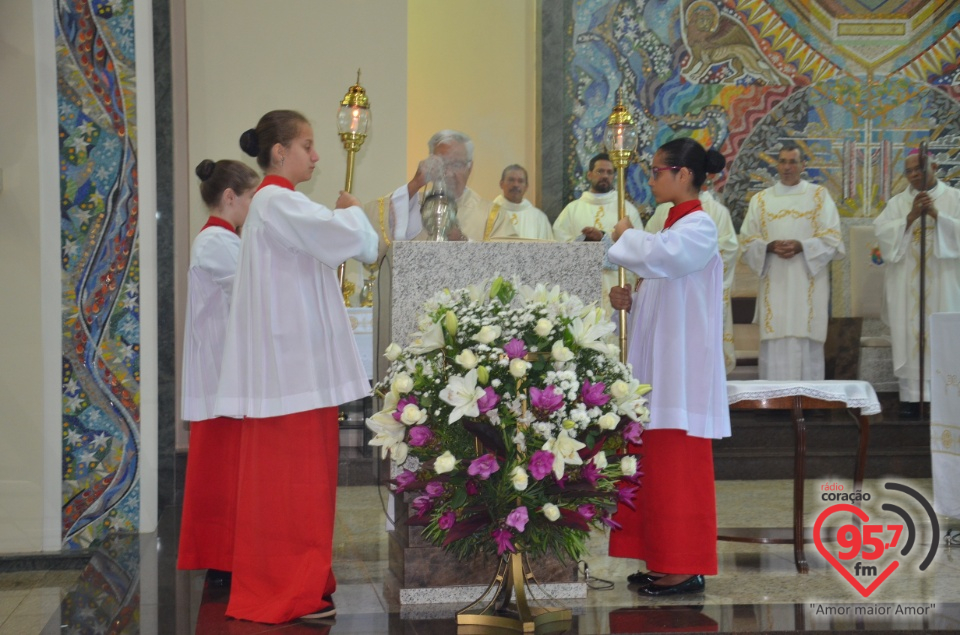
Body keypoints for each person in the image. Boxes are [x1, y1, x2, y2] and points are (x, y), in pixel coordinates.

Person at [215, 109, 379, 624]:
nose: (316, 154)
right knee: (297, 489)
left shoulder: (274, 204)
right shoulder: (277, 200)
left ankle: (299, 579)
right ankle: (289, 587)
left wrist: (347, 221)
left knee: (297, 488)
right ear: (279, 152)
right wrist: (354, 212)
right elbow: (353, 240)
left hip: (292, 371)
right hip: (293, 372)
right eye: (307, 145)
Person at [606, 137, 731, 596]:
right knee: (651, 471)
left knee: (677, 473)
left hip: (681, 376)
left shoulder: (699, 226)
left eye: (658, 171)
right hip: (657, 372)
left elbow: (668, 258)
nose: (651, 178)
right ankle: (661, 559)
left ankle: (684, 564)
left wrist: (625, 237)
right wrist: (631, 299)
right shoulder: (668, 228)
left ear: (683, 175)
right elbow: (662, 286)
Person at [177, 159, 259, 580]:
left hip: (225, 374)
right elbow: (254, 292)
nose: (252, 207)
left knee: (229, 475)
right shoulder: (216, 243)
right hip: (218, 378)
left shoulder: (225, 240)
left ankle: (228, 557)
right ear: (230, 198)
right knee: (221, 477)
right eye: (249, 198)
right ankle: (220, 559)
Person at [739, 141, 845, 380]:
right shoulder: (761, 200)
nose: (787, 167)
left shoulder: (819, 196)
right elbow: (746, 241)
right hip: (775, 281)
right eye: (783, 161)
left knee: (804, 334)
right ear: (777, 164)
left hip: (806, 281)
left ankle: (809, 400)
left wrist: (803, 247)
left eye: (793, 162)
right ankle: (774, 400)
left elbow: (833, 238)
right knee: (776, 334)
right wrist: (768, 247)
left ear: (803, 165)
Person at [874, 149, 960, 415]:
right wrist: (910, 217)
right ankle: (911, 400)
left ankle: (943, 401)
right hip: (905, 286)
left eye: (919, 168)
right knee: (908, 336)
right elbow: (882, 234)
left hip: (944, 282)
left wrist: (937, 216)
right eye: (909, 171)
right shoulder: (898, 203)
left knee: (942, 337)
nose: (913, 175)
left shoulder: (954, 198)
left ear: (934, 166)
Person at [645, 177, 739, 373]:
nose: (652, 182)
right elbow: (648, 247)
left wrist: (695, 256)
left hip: (698, 293)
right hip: (668, 295)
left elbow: (728, 249)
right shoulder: (663, 211)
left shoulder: (716, 212)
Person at [365, 130, 516, 249]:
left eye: (456, 164)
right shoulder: (412, 204)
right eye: (440, 164)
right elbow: (370, 229)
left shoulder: (491, 215)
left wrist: (464, 242)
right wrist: (415, 184)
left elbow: (506, 262)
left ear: (469, 168)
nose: (448, 172)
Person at [553, 153, 645, 313]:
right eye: (600, 171)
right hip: (581, 286)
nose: (605, 176)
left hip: (616, 290)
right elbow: (558, 248)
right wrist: (585, 241)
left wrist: (603, 238)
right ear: (589, 174)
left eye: (610, 172)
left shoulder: (626, 210)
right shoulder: (572, 210)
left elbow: (638, 250)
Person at [493, 164, 554, 240]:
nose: (515, 185)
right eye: (511, 180)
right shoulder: (488, 214)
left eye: (520, 181)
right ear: (501, 184)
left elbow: (549, 250)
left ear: (526, 187)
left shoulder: (539, 218)